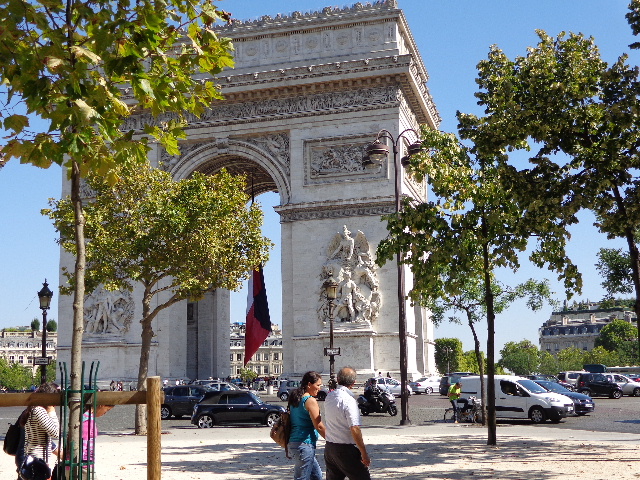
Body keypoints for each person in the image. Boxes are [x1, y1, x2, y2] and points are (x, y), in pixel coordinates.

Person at [324, 367, 371, 480]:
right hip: (345, 449)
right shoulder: (349, 400)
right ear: (354, 383)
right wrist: (364, 453)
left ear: (338, 379)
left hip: (330, 448)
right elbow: (355, 428)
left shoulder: (329, 396)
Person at [287, 371, 326, 480]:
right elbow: (319, 426)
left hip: (294, 443)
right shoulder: (310, 400)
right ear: (309, 384)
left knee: (317, 476)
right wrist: (332, 439)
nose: (320, 388)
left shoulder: (295, 398)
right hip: (305, 444)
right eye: (318, 385)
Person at [23, 382, 60, 477]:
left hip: (34, 456)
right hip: (38, 458)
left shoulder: (33, 408)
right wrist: (51, 411)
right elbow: (55, 433)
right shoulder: (39, 410)